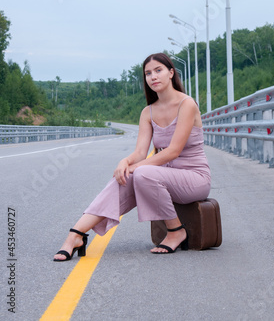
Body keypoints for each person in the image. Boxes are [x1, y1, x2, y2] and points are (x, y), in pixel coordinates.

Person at [53, 52, 211, 259]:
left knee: (143, 173)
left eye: (158, 70)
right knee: (123, 178)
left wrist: (137, 167)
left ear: (171, 73)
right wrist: (125, 162)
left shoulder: (187, 104)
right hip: (163, 175)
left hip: (194, 178)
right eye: (147, 73)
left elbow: (173, 151)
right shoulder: (148, 112)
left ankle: (176, 231)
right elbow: (139, 153)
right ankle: (76, 234)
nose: (153, 76)